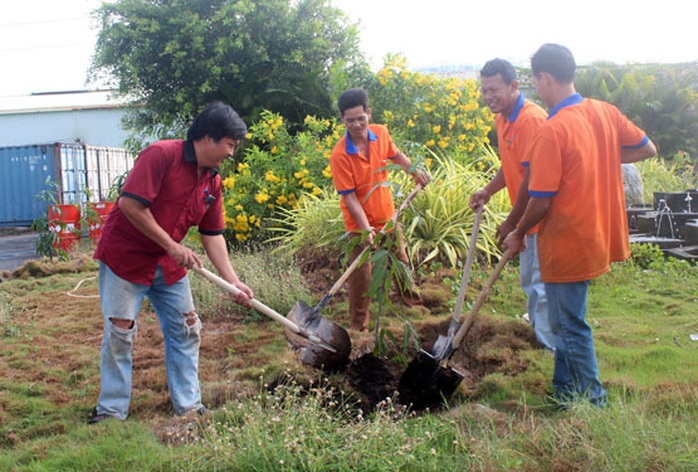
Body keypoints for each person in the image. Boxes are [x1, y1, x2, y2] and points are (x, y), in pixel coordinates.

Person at [503, 44, 657, 407]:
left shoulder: (552, 130)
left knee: (570, 327)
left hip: (567, 243)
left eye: (535, 80)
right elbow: (647, 148)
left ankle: (594, 402)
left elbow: (540, 200)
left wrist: (519, 231)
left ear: (543, 78)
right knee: (566, 319)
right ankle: (564, 390)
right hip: (599, 235)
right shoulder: (604, 112)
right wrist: (598, 154)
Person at [89, 101, 254, 423]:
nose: (232, 153)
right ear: (208, 138)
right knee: (120, 332)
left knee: (187, 328)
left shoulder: (212, 181)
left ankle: (189, 405)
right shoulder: (161, 155)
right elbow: (130, 205)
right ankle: (111, 410)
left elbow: (213, 234)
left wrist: (232, 281)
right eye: (230, 145)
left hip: (167, 265)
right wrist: (171, 244)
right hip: (127, 258)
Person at [469, 58, 555, 351]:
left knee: (541, 285)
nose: (488, 96)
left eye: (494, 89)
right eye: (484, 90)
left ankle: (549, 348)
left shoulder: (531, 120)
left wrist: (513, 224)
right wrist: (488, 191)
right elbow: (511, 166)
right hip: (529, 217)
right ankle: (539, 330)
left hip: (544, 216)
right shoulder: (503, 117)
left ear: (514, 85)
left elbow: (533, 181)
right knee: (531, 281)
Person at [329, 87, 430, 332]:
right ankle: (359, 326)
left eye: (360, 118)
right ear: (342, 119)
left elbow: (396, 155)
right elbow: (350, 198)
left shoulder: (381, 133)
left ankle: (413, 304)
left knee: (401, 262)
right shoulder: (340, 154)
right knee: (361, 276)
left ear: (369, 114)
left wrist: (415, 172)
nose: (356, 125)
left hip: (387, 216)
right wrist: (366, 230)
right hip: (359, 225)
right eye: (350, 120)